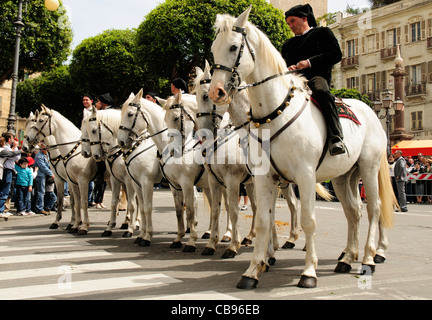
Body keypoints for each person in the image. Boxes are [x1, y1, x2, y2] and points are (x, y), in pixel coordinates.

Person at [282, 4, 344, 156]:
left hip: (318, 76)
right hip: (294, 80)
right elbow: (283, 64)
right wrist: (288, 68)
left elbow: (336, 54)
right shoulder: (287, 45)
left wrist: (309, 62)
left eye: (292, 21)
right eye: (288, 23)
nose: (290, 26)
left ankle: (336, 137)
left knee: (321, 91)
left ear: (304, 18)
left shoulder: (322, 33)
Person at [0, 133, 22, 218]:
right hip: (6, 170)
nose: (13, 140)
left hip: (6, 170)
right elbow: (15, 157)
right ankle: (1, 210)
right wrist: (17, 148)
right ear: (9, 139)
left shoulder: (6, 148)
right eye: (12, 138)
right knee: (4, 191)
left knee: (5, 191)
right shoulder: (4, 149)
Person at [33, 143, 55, 215]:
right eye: (45, 149)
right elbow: (43, 167)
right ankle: (39, 208)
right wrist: (51, 173)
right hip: (40, 175)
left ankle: (44, 206)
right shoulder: (39, 156)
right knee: (41, 191)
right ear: (41, 149)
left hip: (45, 175)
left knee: (44, 192)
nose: (46, 150)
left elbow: (48, 164)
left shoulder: (46, 154)